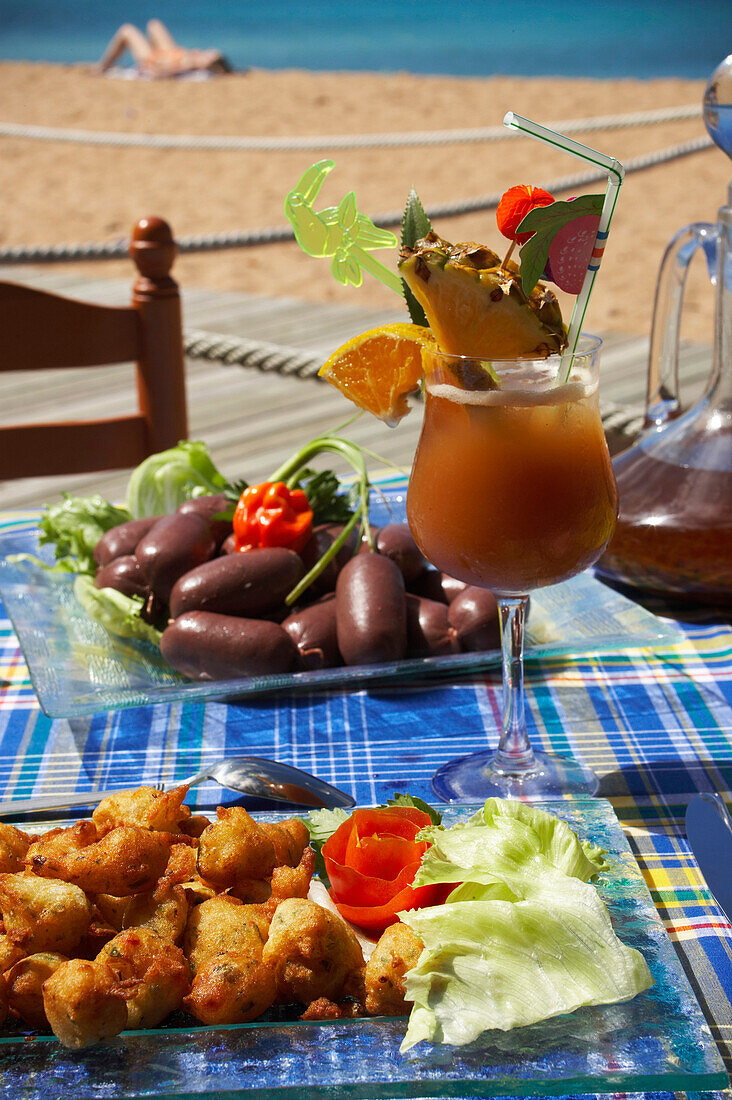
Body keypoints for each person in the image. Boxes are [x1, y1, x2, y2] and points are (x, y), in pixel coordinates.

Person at [96, 19, 232, 79]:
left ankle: (103, 67)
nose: (207, 52)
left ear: (209, 63)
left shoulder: (192, 63)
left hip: (152, 59)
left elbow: (162, 72)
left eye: (211, 55)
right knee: (154, 24)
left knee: (127, 30)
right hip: (170, 51)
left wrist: (151, 68)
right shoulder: (196, 59)